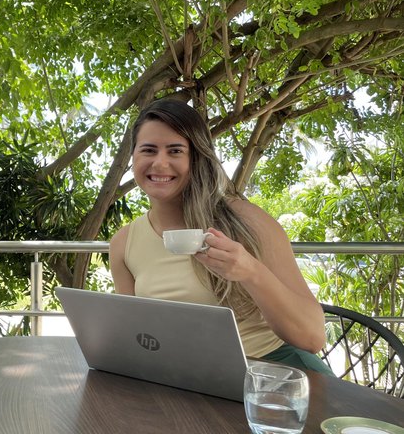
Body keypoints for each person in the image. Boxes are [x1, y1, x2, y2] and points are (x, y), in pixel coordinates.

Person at [109, 98, 332, 374]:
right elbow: (139, 339)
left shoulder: (245, 220)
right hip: (193, 382)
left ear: (196, 157)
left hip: (275, 374)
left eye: (175, 150)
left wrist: (250, 270)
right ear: (133, 158)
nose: (160, 162)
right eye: (149, 150)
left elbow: (312, 337)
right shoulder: (123, 244)